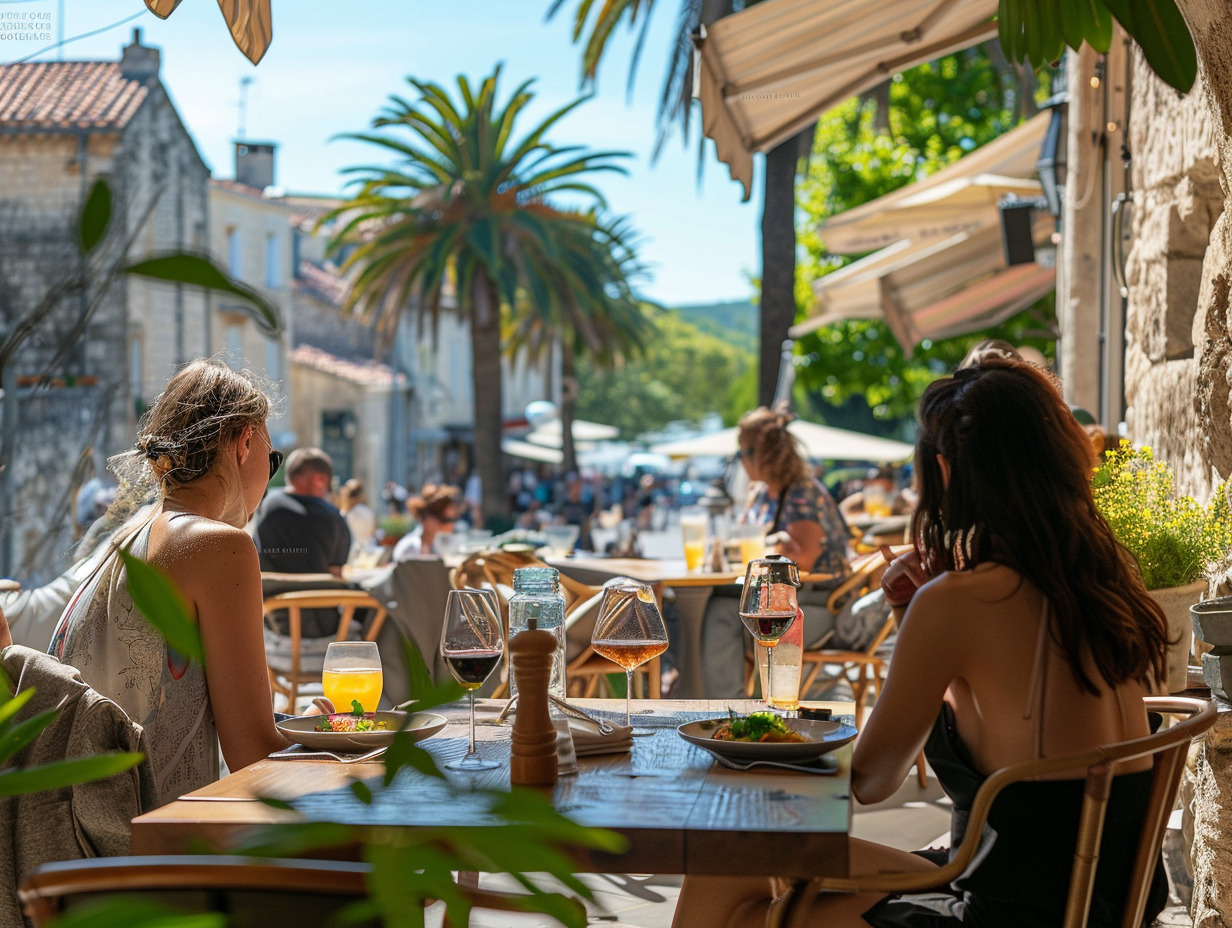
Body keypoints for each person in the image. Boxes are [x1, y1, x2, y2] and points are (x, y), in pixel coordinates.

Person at [674, 355, 1170, 928]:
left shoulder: (960, 602)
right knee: (742, 854)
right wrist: (924, 611)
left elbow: (871, 780)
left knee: (729, 867)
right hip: (1098, 898)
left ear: (946, 472)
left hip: (1004, 911)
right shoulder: (1109, 579)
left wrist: (918, 617)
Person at [49, 359, 292, 806]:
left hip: (82, 847)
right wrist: (354, 748)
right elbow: (254, 757)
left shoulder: (122, 543)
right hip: (157, 851)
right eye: (272, 459)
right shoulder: (220, 547)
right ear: (245, 442)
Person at [252, 447, 351, 637]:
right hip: (326, 632)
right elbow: (336, 574)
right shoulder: (333, 517)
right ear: (319, 479)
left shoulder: (267, 505)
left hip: (273, 629)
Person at [393, 484, 461, 560]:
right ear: (428, 518)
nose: (451, 524)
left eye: (453, 519)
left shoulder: (438, 546)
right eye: (445, 519)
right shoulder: (410, 547)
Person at [339, 478, 377, 562]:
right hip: (368, 552)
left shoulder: (344, 514)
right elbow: (373, 533)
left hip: (350, 554)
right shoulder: (368, 512)